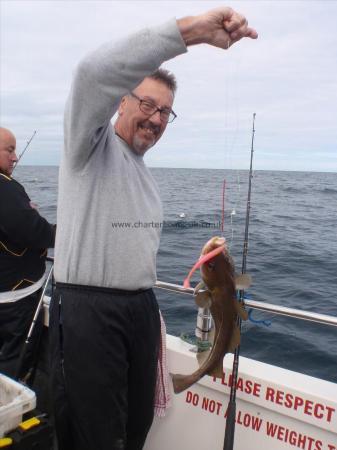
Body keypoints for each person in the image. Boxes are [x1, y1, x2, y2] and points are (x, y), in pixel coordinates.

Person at [50, 6, 257, 450]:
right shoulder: (87, 145)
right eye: (147, 104)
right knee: (96, 437)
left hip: (140, 312)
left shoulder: (143, 174)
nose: (156, 118)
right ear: (119, 100)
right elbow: (91, 71)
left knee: (136, 428)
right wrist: (190, 33)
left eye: (166, 112)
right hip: (91, 315)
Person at [0, 127, 56, 379]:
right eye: (9, 150)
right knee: (13, 359)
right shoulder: (7, 189)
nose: (15, 157)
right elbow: (38, 233)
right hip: (14, 300)